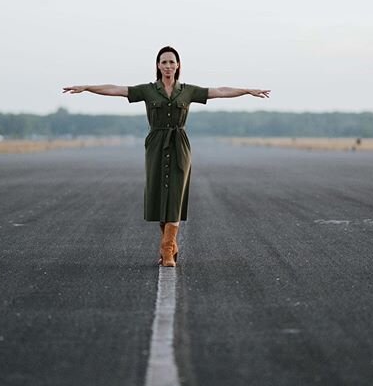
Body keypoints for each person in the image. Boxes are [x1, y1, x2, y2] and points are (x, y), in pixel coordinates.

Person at [62, 46, 270, 267]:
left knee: (175, 195)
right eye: (164, 62)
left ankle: (167, 249)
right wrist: (87, 88)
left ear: (178, 65)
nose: (168, 66)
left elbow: (219, 91)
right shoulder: (148, 90)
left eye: (172, 62)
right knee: (158, 194)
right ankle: (170, 243)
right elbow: (116, 89)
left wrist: (247, 90)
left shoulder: (187, 91)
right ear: (158, 66)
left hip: (179, 144)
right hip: (156, 144)